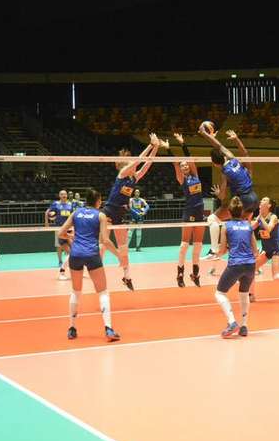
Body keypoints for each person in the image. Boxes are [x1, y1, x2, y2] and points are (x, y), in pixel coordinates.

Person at [58, 188, 122, 342]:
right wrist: (120, 256)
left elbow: (61, 232)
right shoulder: (100, 215)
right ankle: (108, 329)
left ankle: (72, 329)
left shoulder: (76, 213)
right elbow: (105, 241)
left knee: (76, 291)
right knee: (103, 292)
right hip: (92, 254)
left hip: (76, 255)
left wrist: (73, 236)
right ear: (98, 201)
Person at [101, 134, 160, 290]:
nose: (129, 161)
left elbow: (148, 163)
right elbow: (138, 161)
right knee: (103, 244)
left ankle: (126, 277)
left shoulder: (135, 178)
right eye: (127, 160)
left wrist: (157, 146)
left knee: (124, 248)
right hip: (108, 211)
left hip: (120, 214)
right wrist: (149, 145)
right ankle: (96, 270)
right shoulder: (122, 174)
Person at [198, 127, 258, 260]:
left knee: (212, 219)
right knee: (243, 227)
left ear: (214, 164)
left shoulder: (225, 173)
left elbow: (222, 196)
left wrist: (219, 193)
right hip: (254, 199)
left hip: (243, 201)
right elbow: (220, 146)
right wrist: (236, 139)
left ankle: (214, 251)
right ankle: (253, 254)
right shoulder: (232, 158)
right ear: (224, 156)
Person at [214, 196, 258, 338]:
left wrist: (216, 253)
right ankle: (244, 325)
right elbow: (255, 250)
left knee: (220, 293)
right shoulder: (248, 226)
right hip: (250, 265)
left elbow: (221, 251)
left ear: (229, 212)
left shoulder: (226, 226)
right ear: (241, 212)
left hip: (235, 265)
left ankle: (232, 322)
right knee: (244, 294)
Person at [168, 133, 205, 287]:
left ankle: (195, 274)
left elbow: (189, 158)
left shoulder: (195, 174)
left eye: (185, 165)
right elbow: (175, 163)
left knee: (198, 246)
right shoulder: (181, 179)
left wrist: (183, 144)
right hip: (189, 212)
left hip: (199, 211)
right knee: (184, 245)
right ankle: (180, 274)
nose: (184, 166)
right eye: (182, 166)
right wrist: (169, 149)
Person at [46, 190, 74, 281]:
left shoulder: (71, 204)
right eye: (62, 194)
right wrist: (50, 216)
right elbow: (49, 213)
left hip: (70, 230)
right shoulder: (55, 204)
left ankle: (74, 270)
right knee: (70, 252)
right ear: (59, 195)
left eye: (65, 194)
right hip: (60, 231)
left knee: (75, 252)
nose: (64, 195)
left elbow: (73, 216)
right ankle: (62, 270)